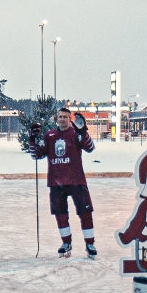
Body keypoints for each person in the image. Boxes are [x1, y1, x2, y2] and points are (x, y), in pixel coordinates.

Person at [28, 107, 97, 259]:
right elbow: (36, 155)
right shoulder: (50, 135)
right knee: (61, 215)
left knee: (85, 213)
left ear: (70, 118)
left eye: (65, 117)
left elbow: (90, 148)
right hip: (56, 182)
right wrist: (32, 139)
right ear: (56, 118)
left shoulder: (76, 133)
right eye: (60, 117)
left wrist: (83, 131)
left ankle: (90, 243)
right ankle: (66, 242)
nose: (62, 119)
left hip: (77, 181)